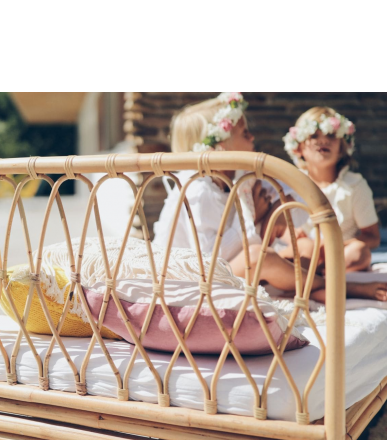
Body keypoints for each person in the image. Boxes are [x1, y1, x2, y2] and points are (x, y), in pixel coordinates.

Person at [153, 93, 387, 302]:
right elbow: (211, 259)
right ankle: (339, 287)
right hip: (194, 281)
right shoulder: (197, 190)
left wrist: (278, 207)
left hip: (229, 270)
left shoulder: (242, 175)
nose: (253, 136)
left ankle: (303, 285)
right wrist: (258, 219)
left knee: (295, 249)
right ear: (220, 146)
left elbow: (300, 201)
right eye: (245, 133)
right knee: (260, 256)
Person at [282, 106, 380, 273]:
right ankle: (305, 278)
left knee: (360, 252)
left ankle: (323, 276)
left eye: (331, 135)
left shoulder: (354, 185)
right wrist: (290, 233)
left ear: (343, 148)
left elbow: (372, 237)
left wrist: (332, 245)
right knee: (290, 252)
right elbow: (277, 227)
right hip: (303, 252)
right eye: (314, 136)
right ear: (299, 148)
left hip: (338, 254)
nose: (323, 140)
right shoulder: (291, 183)